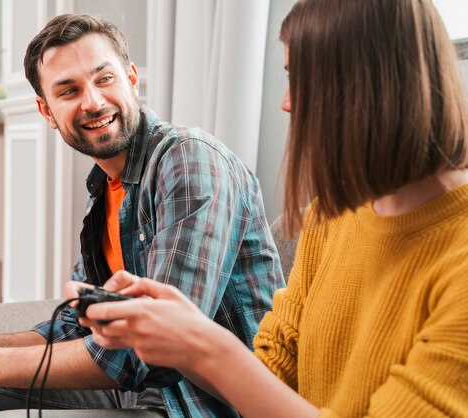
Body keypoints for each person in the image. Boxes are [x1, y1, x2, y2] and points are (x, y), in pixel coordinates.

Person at [75, 0, 468, 417]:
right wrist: (180, 334)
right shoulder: (331, 216)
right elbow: (271, 374)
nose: (286, 102)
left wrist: (206, 346)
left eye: (301, 80)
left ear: (370, 86)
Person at [0, 13, 283, 418]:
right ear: (47, 112)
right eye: (69, 90)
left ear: (131, 79)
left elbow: (158, 353)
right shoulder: (105, 188)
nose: (92, 101)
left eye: (104, 78)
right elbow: (79, 329)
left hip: (198, 403)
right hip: (136, 389)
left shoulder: (189, 160)